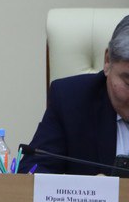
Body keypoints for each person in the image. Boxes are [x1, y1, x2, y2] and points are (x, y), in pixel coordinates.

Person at [20, 15, 129, 175]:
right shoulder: (71, 100)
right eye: (128, 82)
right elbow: (32, 170)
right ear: (107, 61)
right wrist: (87, 187)